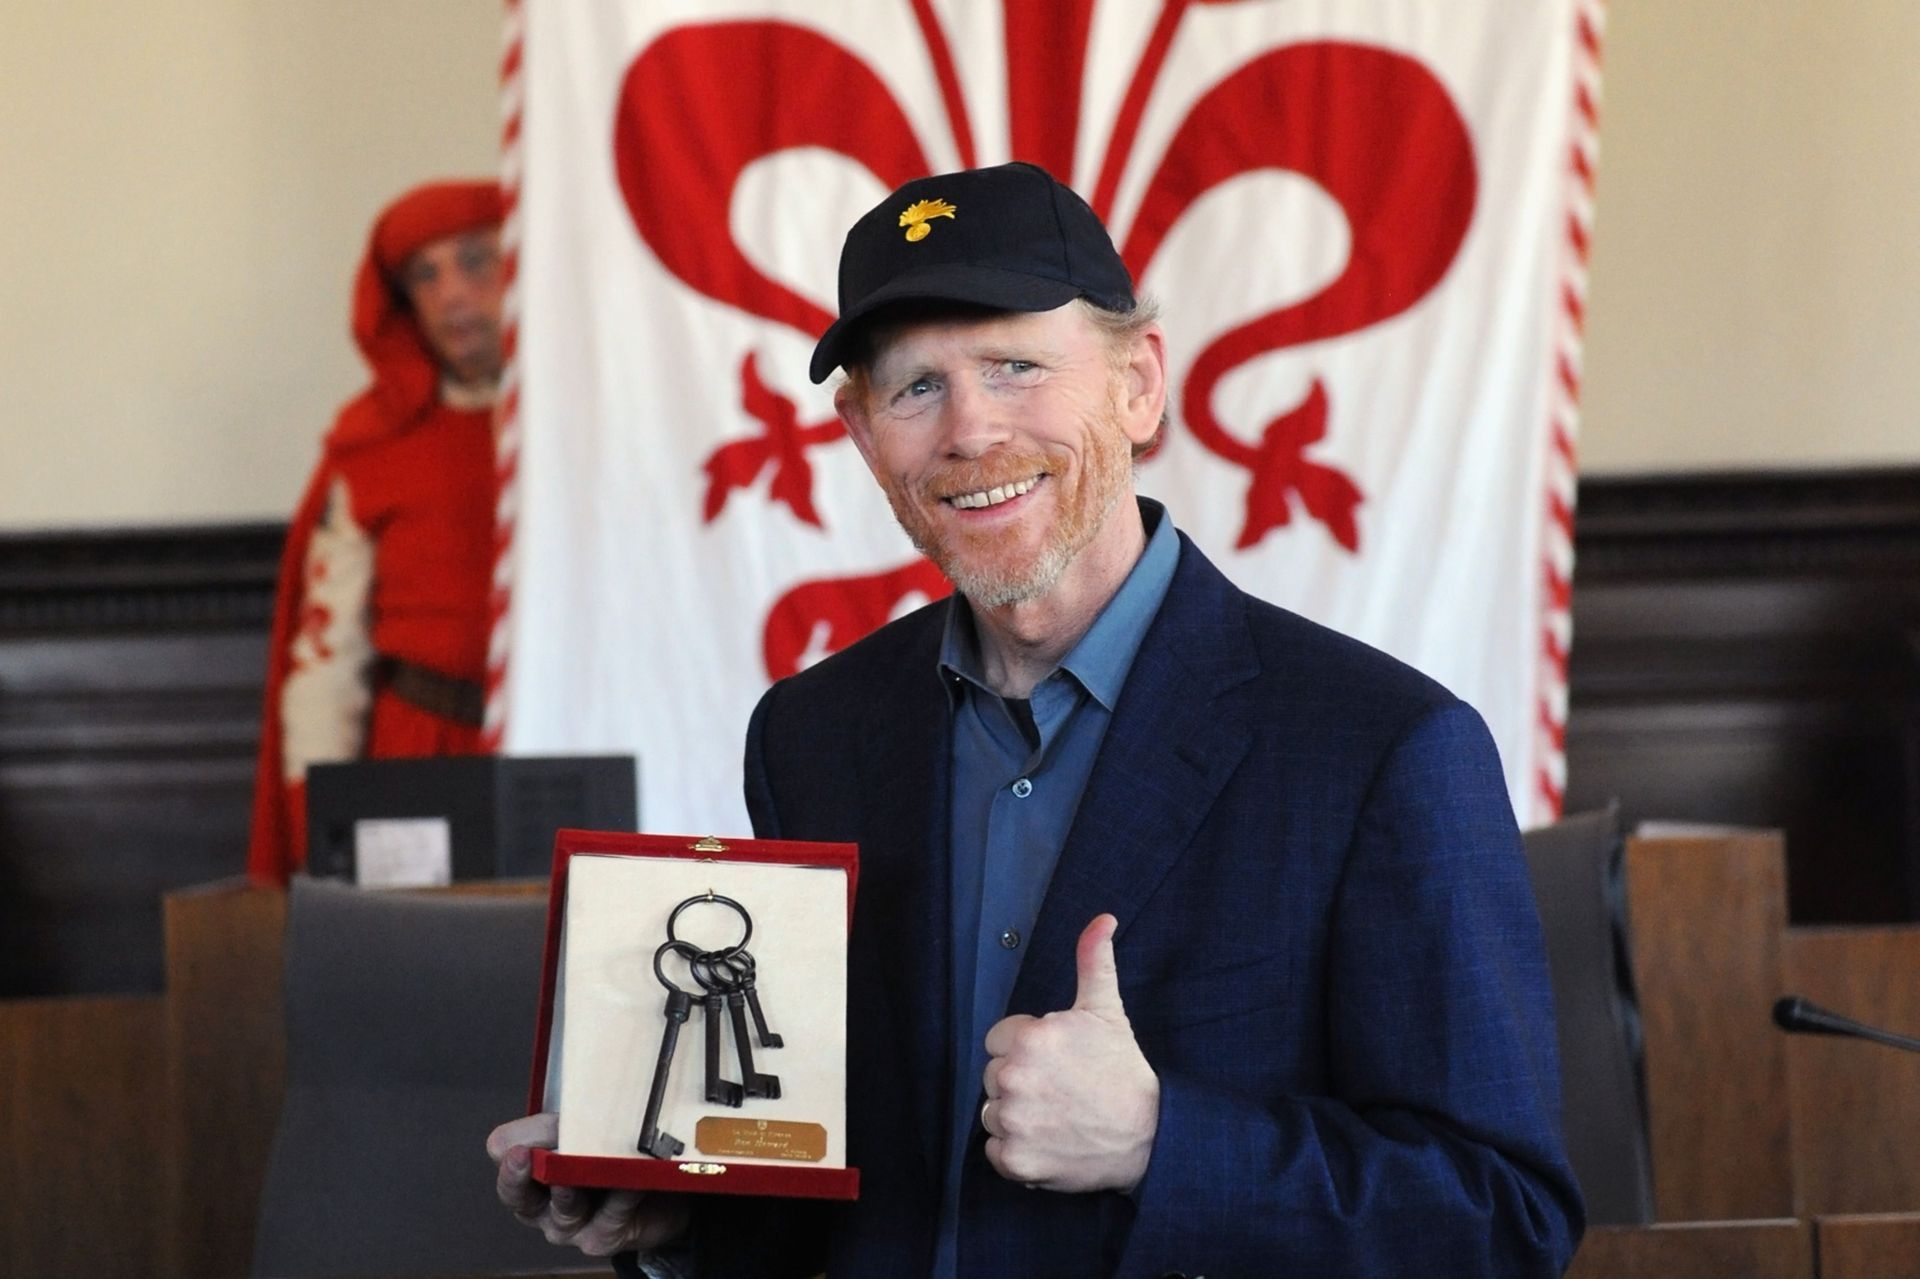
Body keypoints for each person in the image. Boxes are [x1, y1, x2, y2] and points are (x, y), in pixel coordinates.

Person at [490, 162, 1583, 1277]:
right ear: (865, 439)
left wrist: (1163, 1143)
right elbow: (843, 1189)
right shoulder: (811, 735)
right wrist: (675, 1214)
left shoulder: (1383, 748)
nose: (970, 430)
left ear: (1138, 385)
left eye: (1016, 365)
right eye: (916, 387)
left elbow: (1501, 1221)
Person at [248, 179, 507, 884]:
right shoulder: (373, 447)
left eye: (476, 261)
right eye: (425, 275)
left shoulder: (596, 418)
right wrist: (316, 821)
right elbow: (327, 656)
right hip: (417, 756)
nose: (452, 293)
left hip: (568, 746)